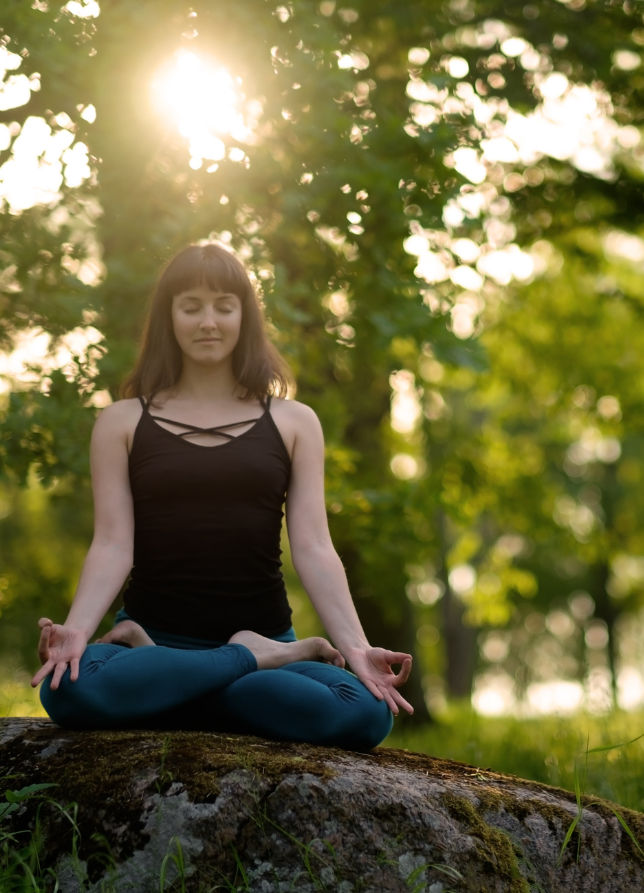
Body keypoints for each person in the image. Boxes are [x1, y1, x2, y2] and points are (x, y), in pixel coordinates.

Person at [31, 242, 414, 751]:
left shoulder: (294, 422)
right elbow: (111, 544)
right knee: (68, 692)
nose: (207, 321)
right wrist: (77, 630)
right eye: (191, 306)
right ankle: (246, 661)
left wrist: (357, 647)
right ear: (169, 318)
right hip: (159, 641)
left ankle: (192, 680)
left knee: (366, 713)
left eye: (223, 306)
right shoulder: (121, 423)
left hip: (253, 639)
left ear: (245, 317)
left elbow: (315, 546)